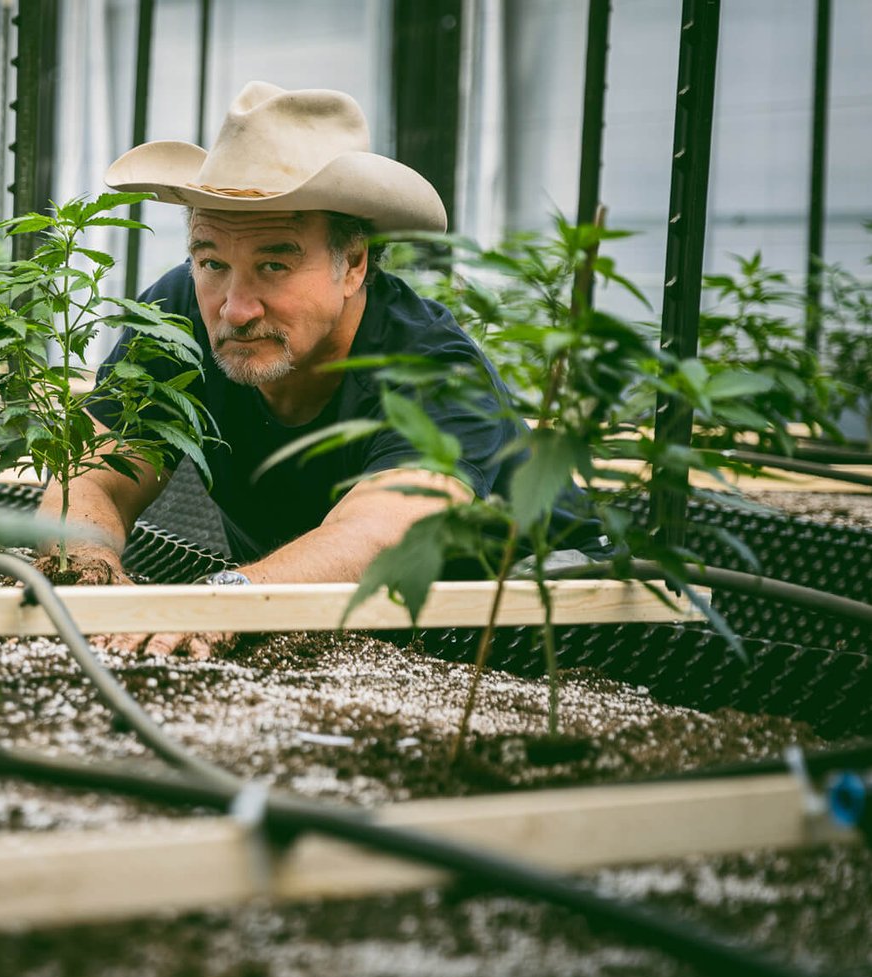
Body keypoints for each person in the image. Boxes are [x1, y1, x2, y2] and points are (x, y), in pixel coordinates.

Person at [37, 81, 574, 659]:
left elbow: (376, 535)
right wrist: (83, 562)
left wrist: (225, 600)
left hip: (534, 636)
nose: (235, 309)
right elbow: (95, 475)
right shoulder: (179, 316)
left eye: (274, 263)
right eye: (211, 261)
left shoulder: (432, 369)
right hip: (319, 620)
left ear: (354, 263)